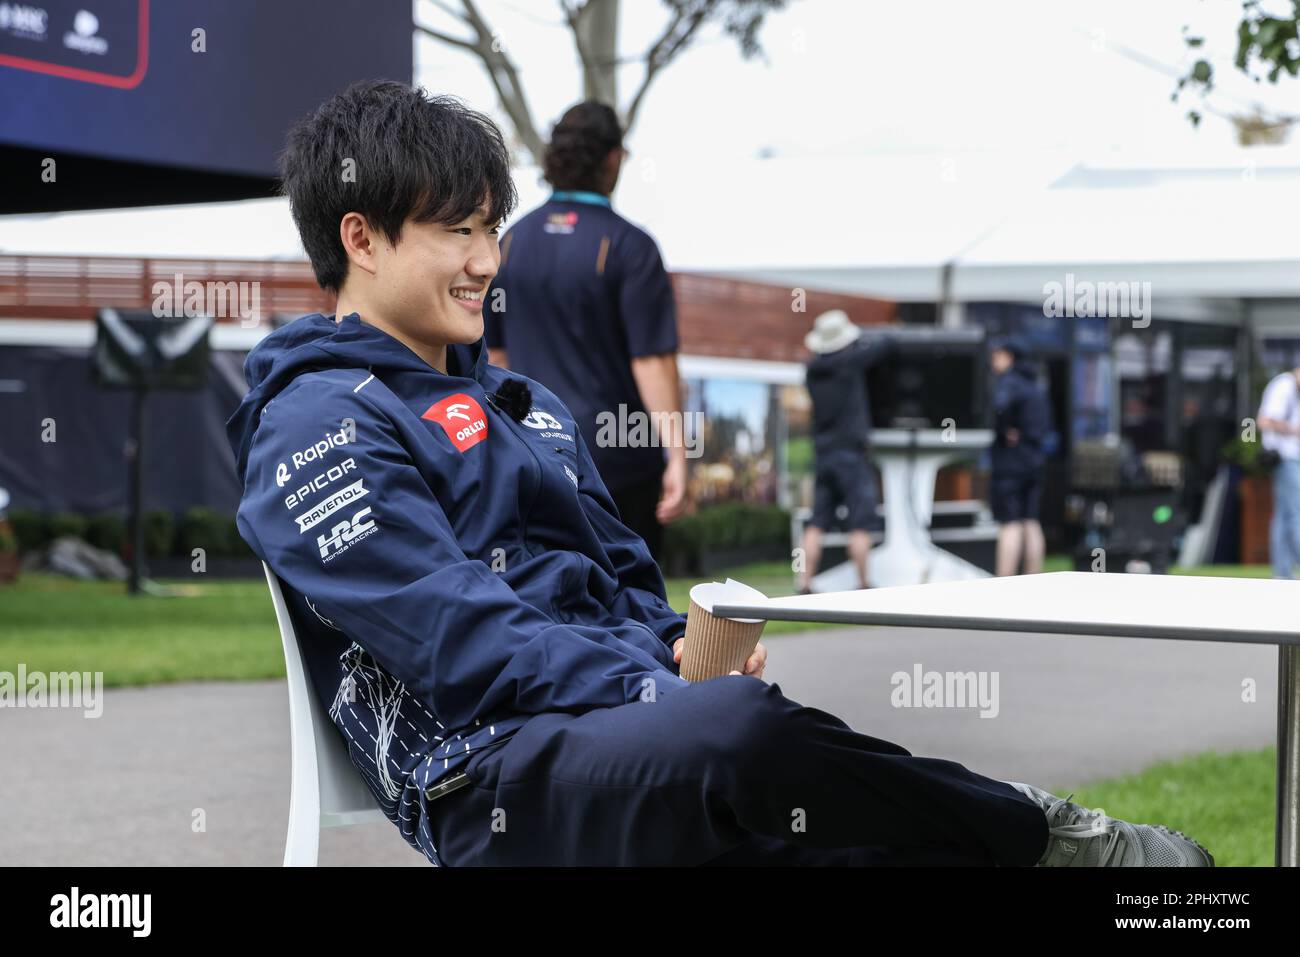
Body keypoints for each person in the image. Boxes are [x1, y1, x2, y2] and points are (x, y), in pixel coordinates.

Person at [227, 80, 1212, 867]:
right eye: (459, 230)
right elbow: (456, 639)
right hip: (486, 778)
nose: (489, 259)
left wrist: (682, 647)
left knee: (880, 840)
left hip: (622, 747)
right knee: (742, 734)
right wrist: (658, 688)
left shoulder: (529, 409)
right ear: (360, 237)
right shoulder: (316, 421)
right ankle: (1051, 836)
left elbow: (622, 584)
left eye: (492, 228)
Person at [483, 101, 686, 562]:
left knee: (554, 600)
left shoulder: (509, 242)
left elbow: (496, 357)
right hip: (620, 457)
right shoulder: (631, 246)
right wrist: (678, 455)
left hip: (536, 456)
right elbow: (652, 362)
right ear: (613, 159)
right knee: (633, 605)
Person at [799, 310, 895, 593]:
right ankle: (864, 583)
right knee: (860, 522)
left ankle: (805, 583)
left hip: (824, 453)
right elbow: (886, 345)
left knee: (818, 521)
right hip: (852, 455)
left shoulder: (811, 371)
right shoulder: (850, 362)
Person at [989, 337, 1051, 577]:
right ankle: (1033, 579)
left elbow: (998, 409)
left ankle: (1003, 583)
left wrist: (1004, 429)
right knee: (1031, 521)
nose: (993, 360)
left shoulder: (1008, 383)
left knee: (1010, 522)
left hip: (1011, 464)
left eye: (997, 355)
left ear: (1009, 357)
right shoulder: (1036, 385)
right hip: (1034, 461)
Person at [1257, 365, 1300, 578]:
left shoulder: (1293, 388)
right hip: (1285, 458)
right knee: (1295, 513)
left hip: (1292, 458)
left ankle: (1282, 572)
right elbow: (1264, 420)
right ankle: (1285, 569)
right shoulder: (1284, 386)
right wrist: (1294, 429)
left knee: (1284, 515)